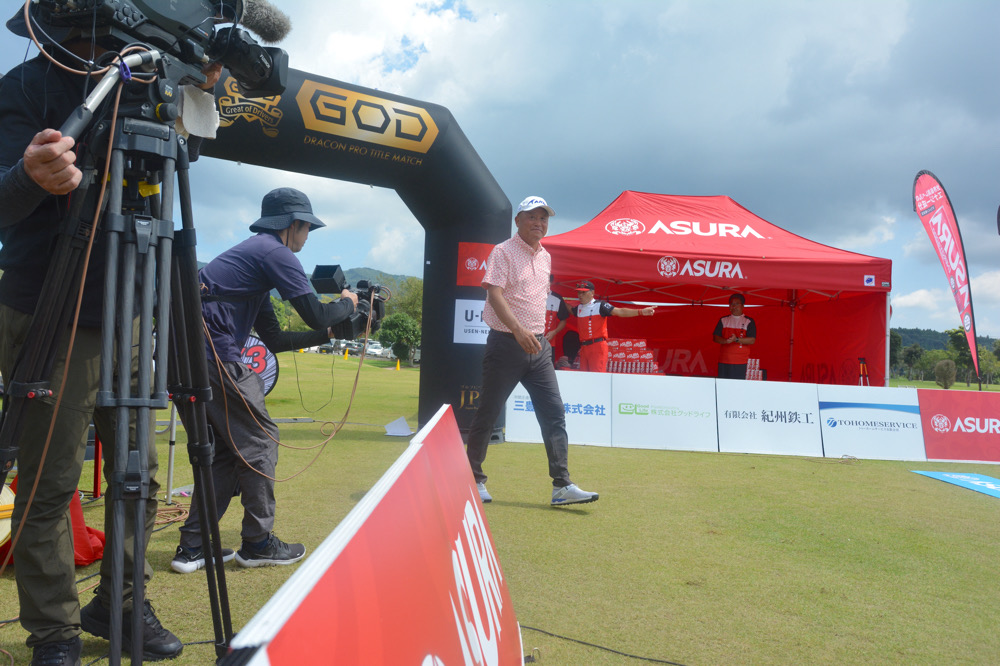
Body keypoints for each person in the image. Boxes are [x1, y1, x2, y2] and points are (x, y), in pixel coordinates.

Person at [0, 8, 221, 663]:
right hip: (51, 310)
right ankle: (54, 631)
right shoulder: (27, 86)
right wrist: (27, 178)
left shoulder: (151, 88)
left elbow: (174, 166)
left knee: (139, 477)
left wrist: (199, 88)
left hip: (128, 310)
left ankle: (120, 603)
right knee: (51, 484)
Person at [171, 187, 359, 573]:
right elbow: (317, 314)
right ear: (292, 225)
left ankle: (192, 549)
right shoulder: (275, 252)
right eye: (307, 228)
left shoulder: (251, 262)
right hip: (213, 355)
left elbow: (275, 339)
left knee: (223, 452)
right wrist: (349, 304)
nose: (307, 236)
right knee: (260, 441)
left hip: (182, 359)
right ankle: (257, 544)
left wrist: (329, 334)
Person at [465, 196, 599, 506]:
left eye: (543, 218)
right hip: (506, 343)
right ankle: (473, 479)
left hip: (539, 348)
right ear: (518, 221)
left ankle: (562, 486)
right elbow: (494, 293)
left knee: (554, 413)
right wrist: (517, 330)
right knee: (488, 412)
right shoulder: (503, 251)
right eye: (532, 217)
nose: (539, 223)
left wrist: (537, 335)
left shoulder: (546, 256)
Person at [573, 281, 656, 372]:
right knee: (584, 377)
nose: (580, 295)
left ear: (592, 293)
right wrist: (560, 299)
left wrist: (640, 312)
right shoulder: (579, 308)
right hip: (584, 347)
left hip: (597, 346)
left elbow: (620, 311)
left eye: (583, 292)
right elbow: (567, 308)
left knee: (596, 377)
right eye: (579, 292)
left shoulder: (600, 305)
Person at [712, 293, 757, 379]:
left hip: (740, 361)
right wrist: (725, 341)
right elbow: (715, 337)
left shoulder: (749, 321)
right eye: (732, 304)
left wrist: (736, 339)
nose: (734, 306)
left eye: (737, 304)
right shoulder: (723, 320)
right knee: (723, 385)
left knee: (737, 385)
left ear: (743, 306)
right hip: (724, 360)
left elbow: (752, 340)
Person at [544, 274, 571, 364]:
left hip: (548, 342)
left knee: (547, 368)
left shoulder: (557, 298)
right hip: (530, 341)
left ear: (551, 282)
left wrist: (554, 332)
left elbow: (563, 320)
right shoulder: (530, 295)